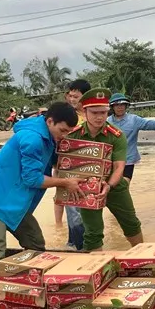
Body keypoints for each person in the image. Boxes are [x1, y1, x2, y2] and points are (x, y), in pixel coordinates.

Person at [0, 102, 84, 309]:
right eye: (62, 131)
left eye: (69, 132)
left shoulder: (49, 137)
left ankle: (20, 297)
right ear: (50, 121)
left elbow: (57, 163)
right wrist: (64, 183)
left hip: (15, 206)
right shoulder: (32, 139)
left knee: (36, 245)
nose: (65, 136)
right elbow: (32, 179)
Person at [63, 88, 144, 251]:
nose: (100, 117)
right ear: (84, 112)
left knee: (131, 224)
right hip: (86, 188)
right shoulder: (73, 135)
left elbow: (119, 166)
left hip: (114, 186)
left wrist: (109, 185)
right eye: (94, 113)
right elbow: (64, 164)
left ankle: (144, 259)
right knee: (92, 233)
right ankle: (97, 270)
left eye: (103, 112)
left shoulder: (116, 135)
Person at [55, 78, 91, 250]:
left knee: (85, 208)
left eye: (75, 97)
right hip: (69, 167)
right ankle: (79, 246)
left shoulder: (93, 115)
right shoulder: (67, 117)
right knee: (73, 208)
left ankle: (74, 243)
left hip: (90, 168)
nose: (71, 100)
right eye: (70, 96)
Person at [107, 93, 155, 181]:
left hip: (128, 160)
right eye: (117, 105)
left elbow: (151, 124)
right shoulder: (107, 122)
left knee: (124, 185)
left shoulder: (134, 120)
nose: (120, 107)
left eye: (122, 105)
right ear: (112, 107)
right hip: (111, 161)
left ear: (126, 106)